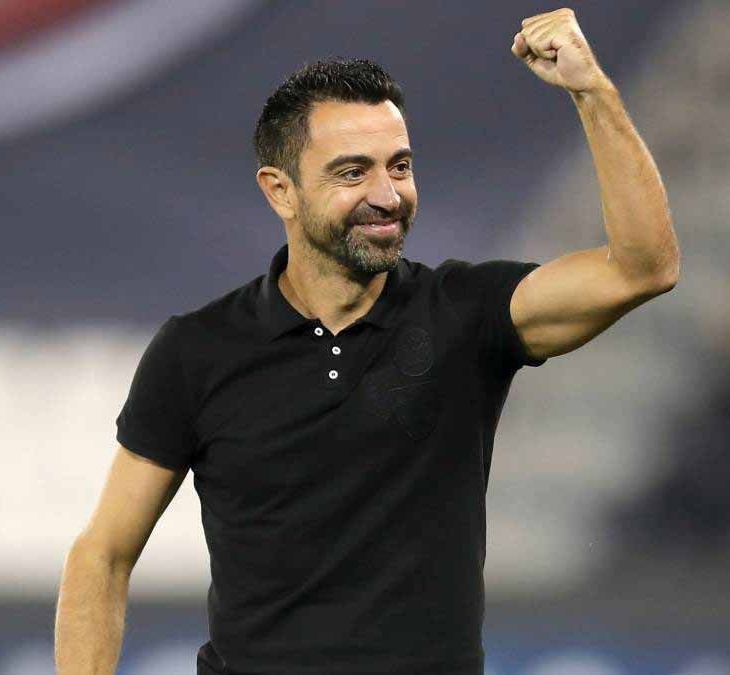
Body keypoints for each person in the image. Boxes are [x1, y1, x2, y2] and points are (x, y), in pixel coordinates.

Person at [54, 8, 679, 675]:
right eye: (352, 173)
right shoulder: (197, 351)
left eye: (399, 166)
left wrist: (591, 91)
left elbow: (643, 268)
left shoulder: (467, 315)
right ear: (281, 191)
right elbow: (103, 554)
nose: (387, 195)